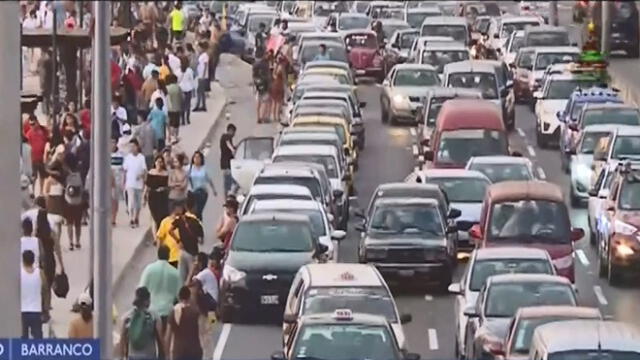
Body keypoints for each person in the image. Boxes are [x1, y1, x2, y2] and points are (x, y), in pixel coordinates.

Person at [139, 245, 181, 330]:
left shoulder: (149, 269)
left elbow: (141, 288)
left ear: (158, 255)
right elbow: (179, 294)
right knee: (165, 339)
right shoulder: (175, 273)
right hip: (168, 311)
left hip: (152, 310)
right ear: (169, 256)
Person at [120, 287, 165, 360]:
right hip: (150, 356)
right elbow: (160, 339)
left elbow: (122, 340)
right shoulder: (154, 316)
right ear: (147, 301)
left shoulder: (127, 317)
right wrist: (163, 355)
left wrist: (122, 356)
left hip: (133, 356)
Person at [164, 286, 202, 360]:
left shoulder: (173, 312)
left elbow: (168, 336)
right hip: (194, 350)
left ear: (179, 297)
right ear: (189, 296)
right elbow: (203, 331)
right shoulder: (195, 311)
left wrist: (167, 354)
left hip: (178, 351)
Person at [173, 194, 204, 283]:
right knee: (191, 278)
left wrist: (178, 240)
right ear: (194, 207)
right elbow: (201, 241)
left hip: (182, 251)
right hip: (193, 253)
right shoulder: (196, 221)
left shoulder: (181, 218)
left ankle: (181, 293)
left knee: (181, 278)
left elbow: (170, 230)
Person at [21, 250, 49, 339]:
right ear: (33, 261)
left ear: (23, 260)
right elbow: (46, 291)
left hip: (22, 311)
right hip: (36, 311)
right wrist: (46, 309)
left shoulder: (19, 273)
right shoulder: (40, 273)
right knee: (37, 339)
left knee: (22, 338)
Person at [123, 139, 147, 228]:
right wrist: (124, 182)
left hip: (139, 184)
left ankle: (136, 217)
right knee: (131, 202)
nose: (132, 148)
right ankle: (131, 219)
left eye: (134, 146)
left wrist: (141, 176)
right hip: (130, 183)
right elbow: (125, 170)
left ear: (137, 147)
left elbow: (144, 170)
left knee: (138, 203)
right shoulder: (128, 157)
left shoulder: (141, 157)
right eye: (131, 146)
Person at [187, 151, 217, 220]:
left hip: (202, 192)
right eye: (195, 157)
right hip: (193, 192)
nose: (197, 159)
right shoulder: (190, 168)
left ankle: (198, 222)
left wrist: (214, 190)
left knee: (198, 210)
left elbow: (209, 180)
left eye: (198, 157)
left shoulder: (204, 169)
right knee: (193, 211)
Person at [145, 155, 170, 238]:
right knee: (154, 216)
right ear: (155, 162)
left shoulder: (165, 173)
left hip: (162, 197)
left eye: (160, 162)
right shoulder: (151, 172)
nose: (159, 163)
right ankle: (155, 237)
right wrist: (144, 196)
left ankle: (161, 233)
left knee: (162, 216)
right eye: (157, 161)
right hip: (153, 196)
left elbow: (168, 186)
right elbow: (147, 186)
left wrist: (163, 189)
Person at [63, 155, 84, 250]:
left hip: (68, 202)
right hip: (78, 202)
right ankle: (78, 241)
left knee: (69, 223)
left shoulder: (66, 176)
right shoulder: (80, 175)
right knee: (78, 224)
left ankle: (70, 242)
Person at [25, 114, 49, 195]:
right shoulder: (28, 134)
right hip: (33, 159)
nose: (32, 126)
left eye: (33, 124)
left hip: (42, 158)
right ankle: (33, 193)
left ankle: (42, 192)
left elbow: (48, 140)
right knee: (34, 177)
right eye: (30, 124)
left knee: (43, 176)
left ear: (37, 122)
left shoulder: (44, 131)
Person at [156, 203, 184, 268]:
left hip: (180, 257)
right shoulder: (165, 222)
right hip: (169, 256)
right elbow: (159, 238)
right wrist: (159, 254)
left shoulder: (183, 221)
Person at [253, 53, 272, 123]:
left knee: (258, 102)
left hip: (258, 85)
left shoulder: (255, 65)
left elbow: (253, 76)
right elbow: (268, 76)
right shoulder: (265, 65)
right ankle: (263, 117)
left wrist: (255, 83)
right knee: (265, 102)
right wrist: (270, 84)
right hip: (265, 85)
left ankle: (258, 117)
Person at [110, 139, 125, 225]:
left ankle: (113, 218)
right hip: (108, 182)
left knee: (115, 201)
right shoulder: (106, 154)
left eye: (114, 143)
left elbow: (124, 168)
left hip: (118, 182)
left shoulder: (121, 155)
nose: (112, 145)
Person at [219, 124, 236, 196]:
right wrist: (233, 150)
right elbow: (228, 144)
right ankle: (227, 197)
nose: (234, 134)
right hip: (226, 164)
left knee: (229, 182)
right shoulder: (225, 137)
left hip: (228, 164)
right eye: (233, 132)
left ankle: (228, 196)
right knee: (228, 182)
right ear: (230, 131)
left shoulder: (228, 138)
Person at [166, 74, 183, 142]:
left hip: (169, 108)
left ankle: (170, 136)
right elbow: (182, 97)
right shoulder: (178, 87)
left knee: (170, 123)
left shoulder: (167, 88)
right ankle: (175, 136)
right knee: (176, 123)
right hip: (177, 108)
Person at [179, 57, 195, 125]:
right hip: (188, 88)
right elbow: (192, 79)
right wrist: (193, 87)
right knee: (188, 104)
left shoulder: (178, 71)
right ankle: (188, 119)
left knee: (182, 105)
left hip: (181, 89)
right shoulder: (189, 70)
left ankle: (182, 120)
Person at [194, 41, 209, 112]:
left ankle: (198, 105)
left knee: (199, 91)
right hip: (200, 75)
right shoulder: (201, 55)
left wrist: (203, 75)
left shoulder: (205, 55)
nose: (198, 49)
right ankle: (203, 105)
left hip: (202, 76)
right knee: (201, 92)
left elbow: (205, 65)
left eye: (199, 48)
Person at [270, 56, 287, 123]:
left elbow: (273, 75)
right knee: (279, 101)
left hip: (275, 84)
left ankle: (273, 116)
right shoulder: (282, 68)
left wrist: (276, 78)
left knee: (274, 101)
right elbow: (284, 78)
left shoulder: (276, 67)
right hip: (280, 85)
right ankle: (277, 116)